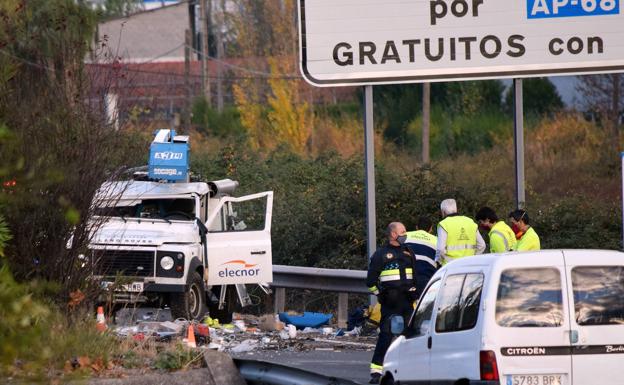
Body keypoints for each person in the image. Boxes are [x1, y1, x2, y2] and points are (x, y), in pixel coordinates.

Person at [366, 222, 419, 384]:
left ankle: (409, 371)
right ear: (394, 234)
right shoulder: (381, 254)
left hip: (407, 301)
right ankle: (376, 371)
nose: (406, 234)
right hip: (390, 302)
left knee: (410, 336)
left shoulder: (409, 252)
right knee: (386, 335)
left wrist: (415, 293)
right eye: (403, 231)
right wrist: (381, 295)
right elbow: (370, 282)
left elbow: (415, 276)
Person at [436, 198, 486, 265]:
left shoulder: (444, 224)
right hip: (468, 266)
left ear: (443, 212)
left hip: (450, 267)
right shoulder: (470, 222)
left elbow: (441, 249)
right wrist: (473, 259)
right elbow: (482, 245)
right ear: (456, 209)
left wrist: (438, 261)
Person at [405, 216, 438, 297]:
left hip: (406, 278)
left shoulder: (405, 236)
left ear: (417, 227)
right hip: (426, 280)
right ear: (430, 229)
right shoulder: (436, 240)